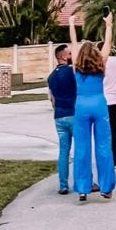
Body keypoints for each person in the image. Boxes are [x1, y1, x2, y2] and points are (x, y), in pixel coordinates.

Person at [69, 13, 116, 202]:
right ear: (96, 54)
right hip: (99, 104)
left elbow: (73, 43)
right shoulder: (101, 63)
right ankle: (106, 187)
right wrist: (109, 25)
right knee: (104, 146)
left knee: (81, 147)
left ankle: (82, 188)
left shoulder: (75, 65)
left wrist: (72, 24)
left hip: (81, 106)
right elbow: (108, 43)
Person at [47, 43, 77, 195]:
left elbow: (51, 99)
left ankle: (63, 185)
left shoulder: (51, 77)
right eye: (70, 54)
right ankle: (83, 181)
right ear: (64, 57)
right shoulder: (72, 72)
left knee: (64, 151)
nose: (72, 56)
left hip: (59, 116)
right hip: (74, 114)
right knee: (80, 149)